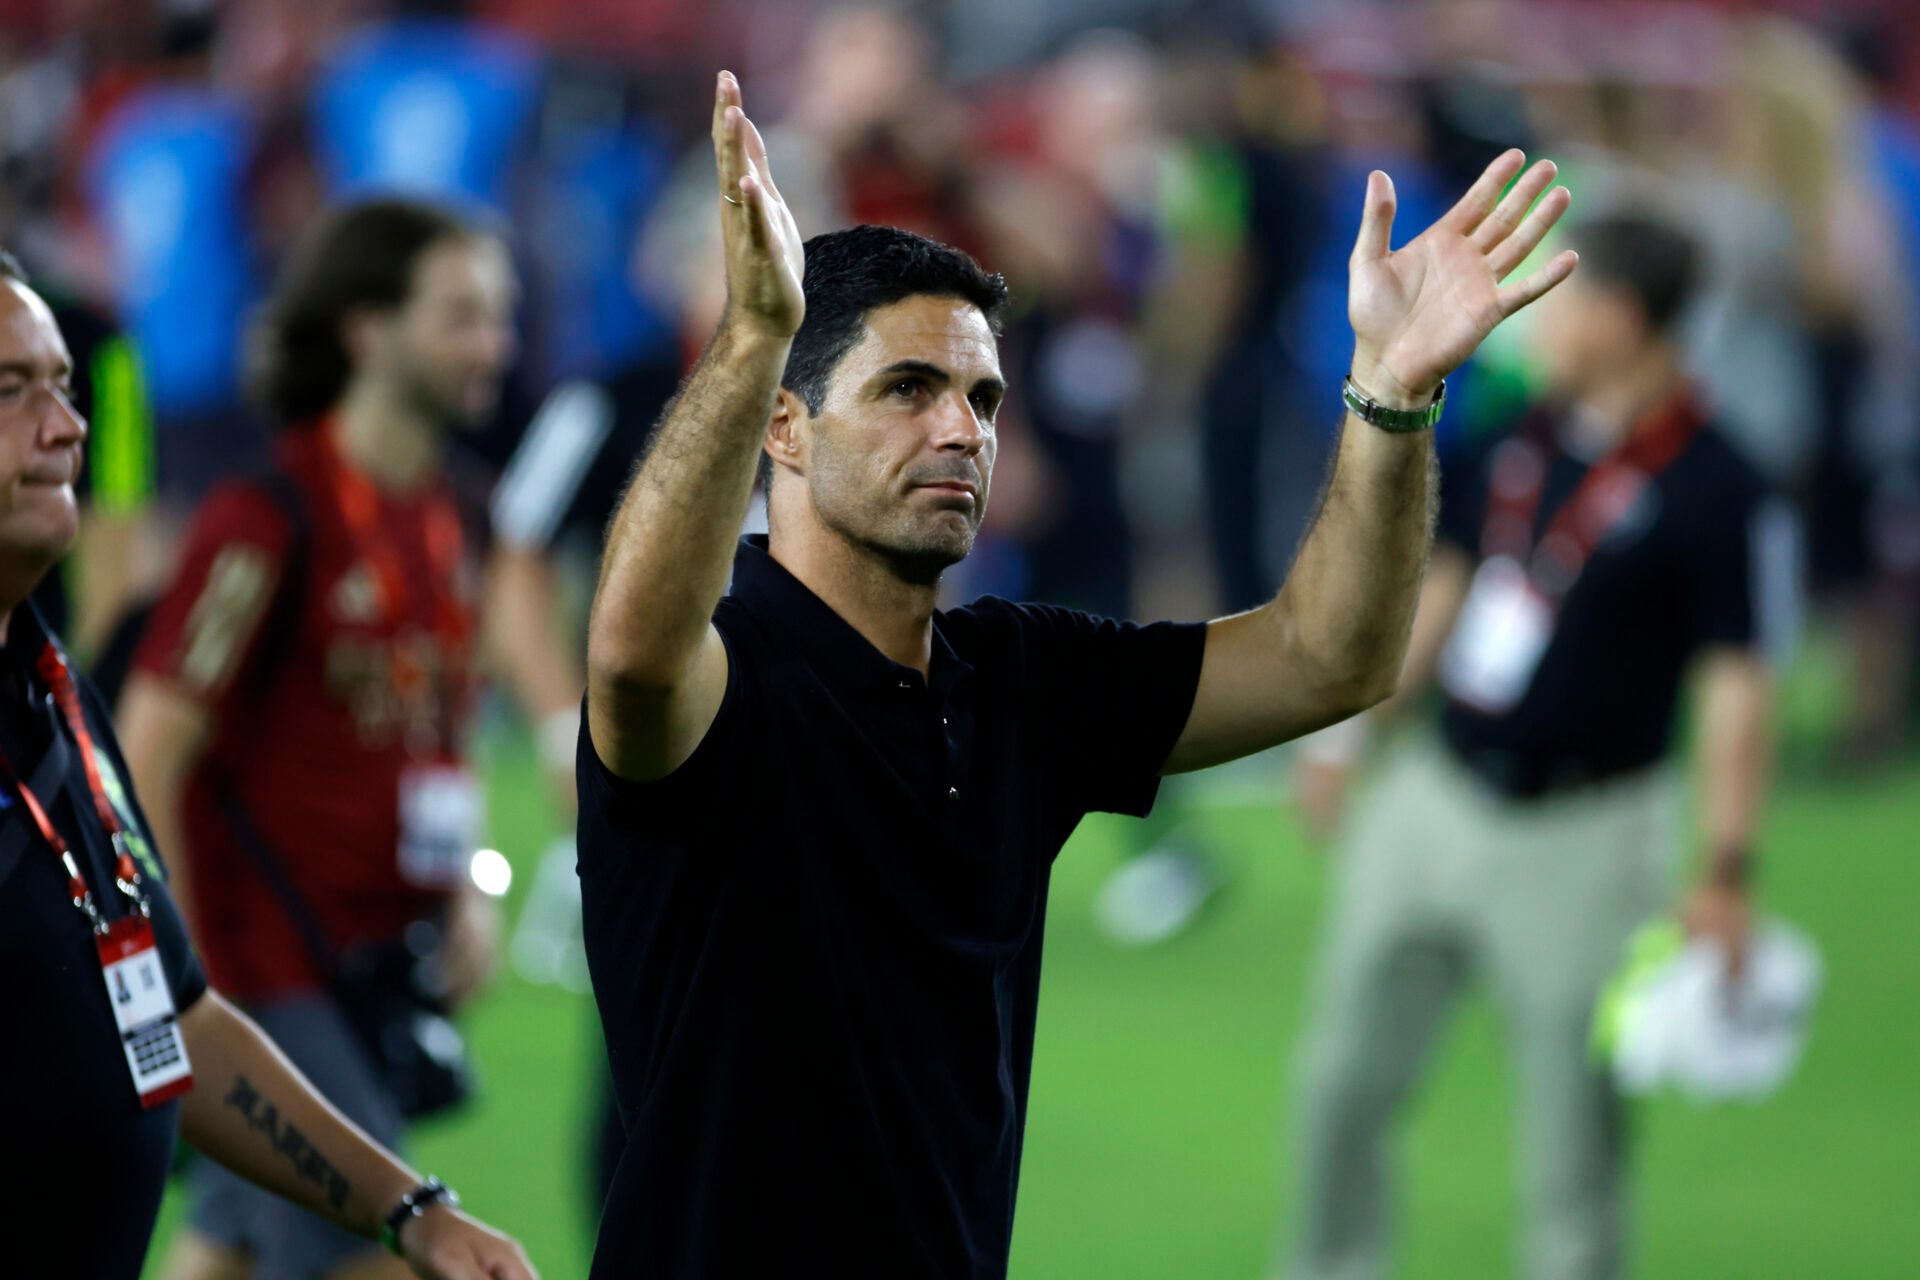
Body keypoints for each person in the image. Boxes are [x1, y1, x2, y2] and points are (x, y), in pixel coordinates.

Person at [577, 70, 1576, 1277]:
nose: (961, 430)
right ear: (784, 428)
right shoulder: (725, 674)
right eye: (906, 389)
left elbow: (1327, 655)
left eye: (980, 396)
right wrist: (750, 339)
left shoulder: (1019, 677)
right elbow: (630, 655)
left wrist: (1394, 394)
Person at [0, 250, 536, 1279]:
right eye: (10, 389)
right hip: (277, 955)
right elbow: (173, 737)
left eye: (64, 386)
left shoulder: (49, 690)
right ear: (367, 333)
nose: (67, 427)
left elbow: (175, 1018)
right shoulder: (269, 516)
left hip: (350, 966)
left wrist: (416, 1209)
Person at [1284, 215, 1793, 1280]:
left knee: (1574, 1139)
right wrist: (1350, 739)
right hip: (1435, 794)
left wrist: (1726, 867)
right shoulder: (1520, 430)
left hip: (1588, 830)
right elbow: (1452, 583)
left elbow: (1739, 683)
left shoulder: (1723, 483)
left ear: (1619, 313)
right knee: (1339, 1083)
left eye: (1565, 298)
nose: (1537, 321)